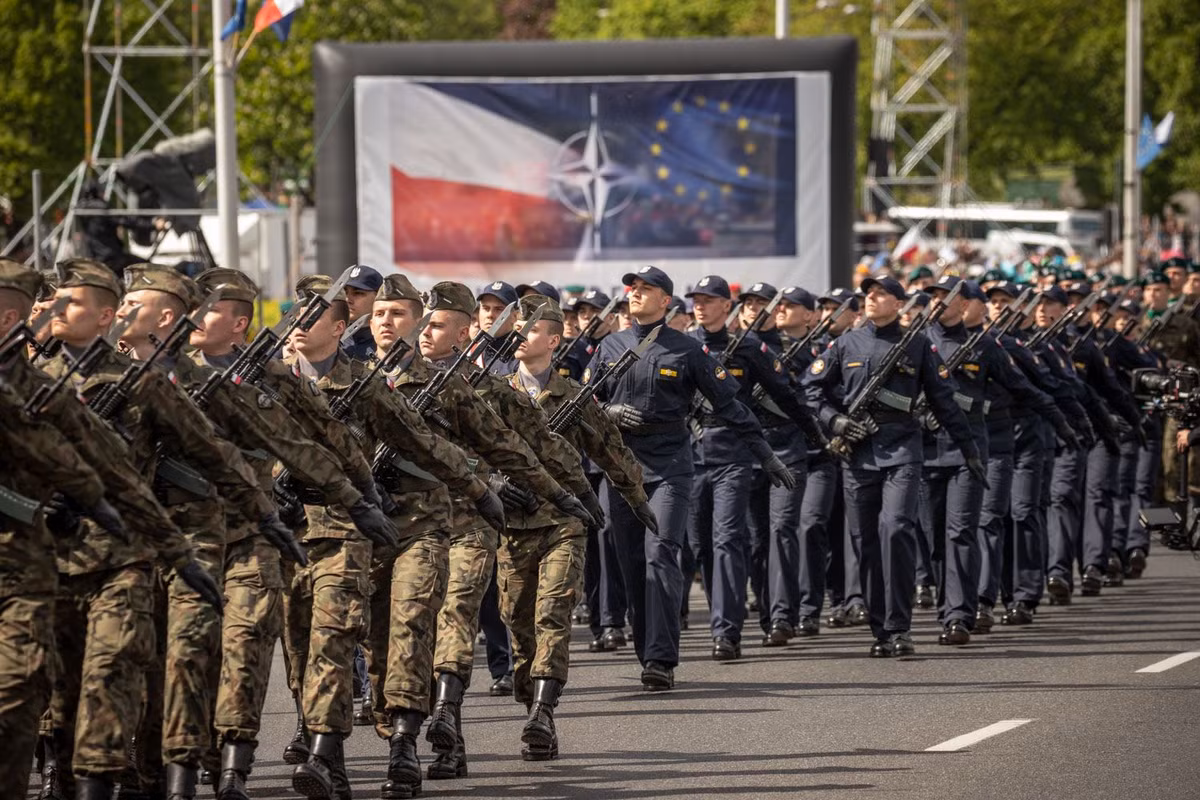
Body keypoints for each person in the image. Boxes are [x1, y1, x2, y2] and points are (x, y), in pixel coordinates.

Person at [584, 265, 788, 688]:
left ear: (666, 301)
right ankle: (648, 651)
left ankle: (661, 658)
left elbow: (731, 406)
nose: (636, 294)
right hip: (622, 470)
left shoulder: (687, 350)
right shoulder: (609, 347)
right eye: (633, 289)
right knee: (632, 563)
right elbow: (584, 405)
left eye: (646, 289)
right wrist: (609, 412)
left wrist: (765, 455)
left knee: (661, 555)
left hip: (670, 469)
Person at [503, 293, 653, 759]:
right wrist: (490, 483)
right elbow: (467, 447)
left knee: (553, 613)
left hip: (564, 520)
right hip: (511, 525)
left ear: (553, 339)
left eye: (529, 330)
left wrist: (638, 499)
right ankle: (532, 700)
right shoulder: (493, 392)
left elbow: (611, 451)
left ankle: (544, 711)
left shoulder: (573, 396)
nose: (519, 337)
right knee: (518, 620)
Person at [804, 275, 980, 657]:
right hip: (858, 454)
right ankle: (880, 628)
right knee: (865, 543)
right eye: (868, 293)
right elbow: (811, 392)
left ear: (899, 304)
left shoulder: (917, 344)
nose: (872, 298)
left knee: (896, 529)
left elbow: (944, 400)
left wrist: (969, 450)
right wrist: (835, 421)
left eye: (882, 294)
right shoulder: (844, 343)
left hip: (902, 449)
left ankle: (900, 626)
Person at [686, 277, 811, 658]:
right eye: (697, 300)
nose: (700, 306)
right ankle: (723, 616)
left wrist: (818, 436)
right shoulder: (683, 345)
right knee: (701, 545)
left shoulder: (749, 347)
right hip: (690, 456)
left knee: (729, 540)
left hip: (734, 455)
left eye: (709, 300)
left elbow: (786, 394)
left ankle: (726, 631)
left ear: (728, 306)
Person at [341, 265, 384, 361]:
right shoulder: (330, 337)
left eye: (358, 293)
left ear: (378, 297)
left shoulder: (388, 341)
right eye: (345, 292)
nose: (348, 299)